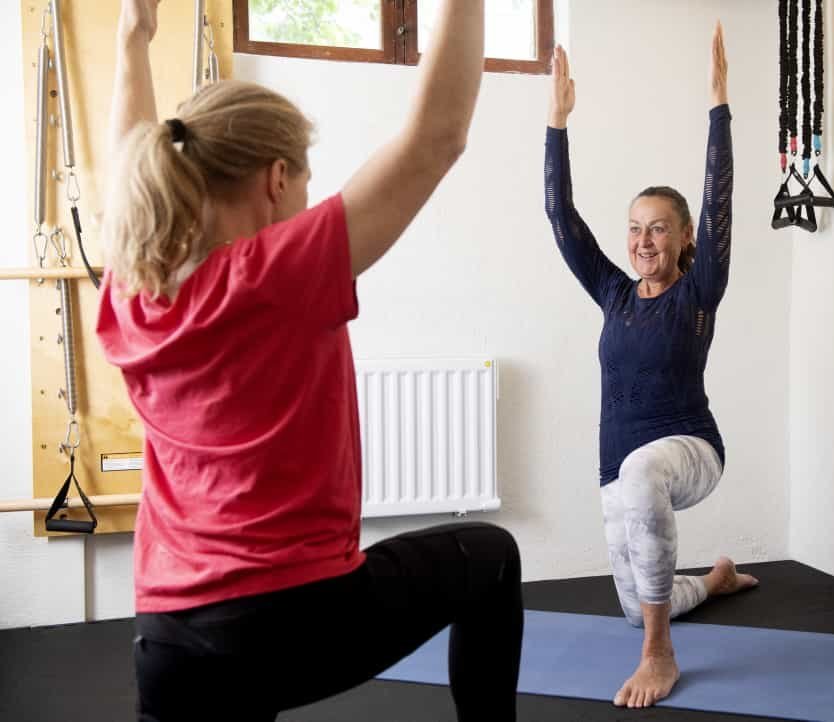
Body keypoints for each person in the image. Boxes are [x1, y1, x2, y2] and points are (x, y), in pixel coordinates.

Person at [97, 1, 522, 720]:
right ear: (275, 179)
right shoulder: (274, 270)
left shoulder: (136, 290)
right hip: (296, 620)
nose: (306, 197)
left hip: (168, 640)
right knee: (491, 558)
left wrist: (131, 41)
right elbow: (438, 136)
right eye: (303, 181)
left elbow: (125, 174)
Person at [543, 22, 758, 709]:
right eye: (635, 228)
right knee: (637, 604)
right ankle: (713, 581)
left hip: (690, 451)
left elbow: (719, 200)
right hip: (619, 467)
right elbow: (559, 214)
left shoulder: (697, 292)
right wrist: (557, 122)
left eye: (658, 227)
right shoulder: (613, 293)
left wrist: (718, 106)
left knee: (642, 476)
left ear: (684, 236)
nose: (642, 240)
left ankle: (660, 654)